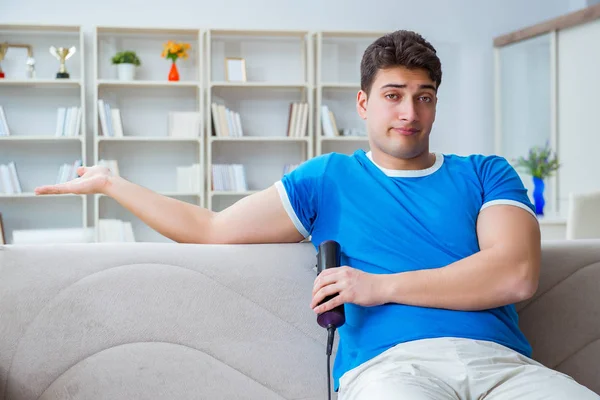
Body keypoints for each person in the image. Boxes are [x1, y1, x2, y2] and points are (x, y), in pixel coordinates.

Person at [35, 30, 599, 400]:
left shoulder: (485, 172)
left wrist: (377, 286)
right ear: (363, 102)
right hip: (391, 371)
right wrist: (112, 183)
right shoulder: (327, 179)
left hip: (501, 367)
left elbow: (515, 273)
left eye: (425, 96)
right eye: (394, 95)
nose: (410, 112)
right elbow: (208, 228)